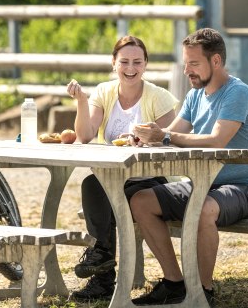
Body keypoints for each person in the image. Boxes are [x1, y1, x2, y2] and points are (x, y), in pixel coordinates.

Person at [129, 28, 248, 307]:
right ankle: (174, 283)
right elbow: (172, 133)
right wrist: (148, 137)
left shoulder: (238, 92)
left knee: (203, 207)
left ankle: (202, 292)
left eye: (194, 64)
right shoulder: (196, 95)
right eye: (185, 64)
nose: (187, 71)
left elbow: (218, 140)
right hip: (203, 185)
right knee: (141, 201)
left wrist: (166, 136)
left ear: (216, 61)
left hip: (247, 188)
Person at [66, 35, 179, 301]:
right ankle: (103, 264)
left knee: (104, 190)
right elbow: (85, 135)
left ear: (145, 64)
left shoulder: (159, 96)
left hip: (151, 179)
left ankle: (102, 271)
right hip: (114, 178)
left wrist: (150, 139)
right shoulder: (104, 92)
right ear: (114, 63)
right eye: (124, 61)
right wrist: (82, 101)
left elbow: (173, 141)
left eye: (137, 62)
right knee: (93, 184)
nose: (131, 68)